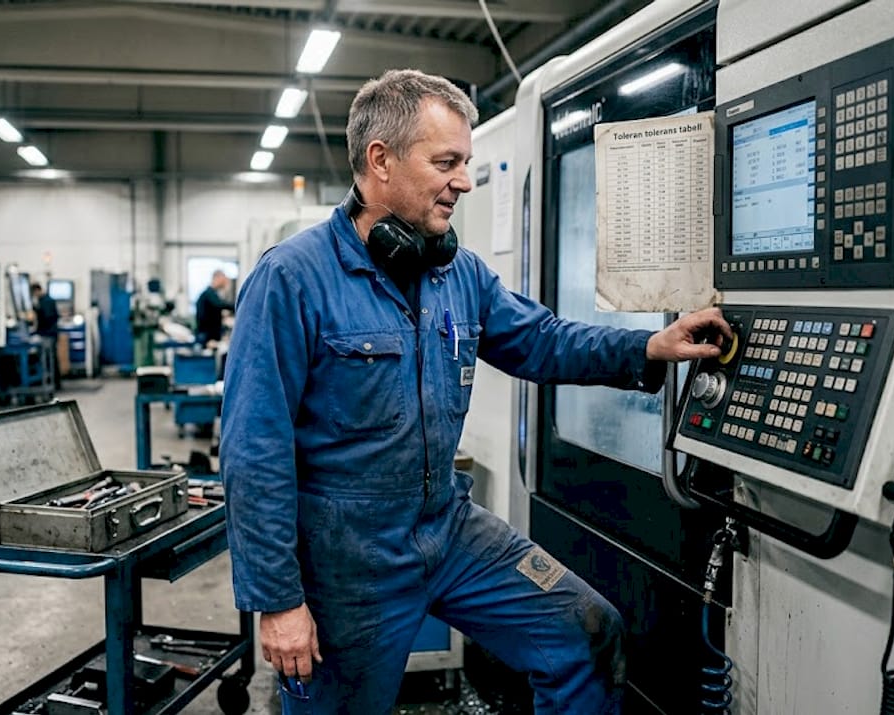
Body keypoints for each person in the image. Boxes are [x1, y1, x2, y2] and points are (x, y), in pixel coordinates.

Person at [220, 69, 733, 714]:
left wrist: (646, 348)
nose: (463, 180)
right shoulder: (293, 279)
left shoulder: (454, 272)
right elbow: (252, 451)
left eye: (465, 162)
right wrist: (279, 600)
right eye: (446, 162)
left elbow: (541, 340)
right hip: (345, 561)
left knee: (585, 633)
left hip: (449, 529)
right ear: (380, 160)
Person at [30, 282, 61, 389]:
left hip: (48, 334)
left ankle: (50, 383)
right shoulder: (47, 300)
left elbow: (46, 318)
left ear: (37, 291)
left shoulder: (45, 302)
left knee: (48, 359)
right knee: (52, 359)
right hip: (50, 333)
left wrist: (36, 312)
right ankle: (54, 382)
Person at [194, 270, 234, 346]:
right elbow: (220, 305)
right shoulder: (209, 294)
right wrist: (236, 305)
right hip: (207, 336)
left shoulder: (212, 294)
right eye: (223, 281)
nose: (224, 284)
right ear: (217, 278)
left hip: (208, 335)